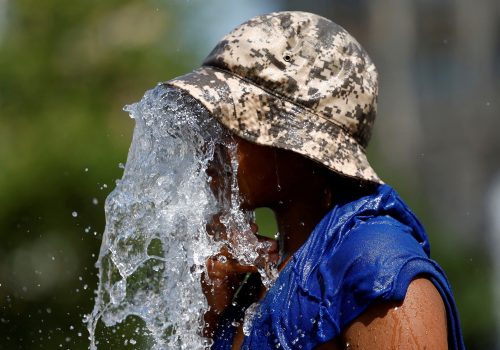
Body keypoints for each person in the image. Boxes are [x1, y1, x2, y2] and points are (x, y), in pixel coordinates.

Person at [166, 11, 465, 349]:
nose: (210, 144)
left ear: (297, 140)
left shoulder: (375, 269)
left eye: (230, 123)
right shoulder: (259, 278)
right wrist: (211, 313)